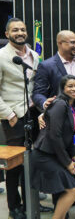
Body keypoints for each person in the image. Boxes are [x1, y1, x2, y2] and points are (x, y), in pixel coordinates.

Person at [0, 18, 43, 219]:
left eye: (23, 29)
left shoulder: (34, 55)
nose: (20, 32)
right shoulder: (1, 56)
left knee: (32, 160)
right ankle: (14, 207)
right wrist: (9, 115)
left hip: (33, 113)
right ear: (7, 34)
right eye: (15, 30)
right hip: (14, 116)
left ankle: (31, 201)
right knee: (16, 164)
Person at [32, 75, 75, 219]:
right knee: (74, 187)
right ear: (63, 88)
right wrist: (68, 164)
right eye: (70, 86)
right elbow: (54, 136)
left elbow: (71, 134)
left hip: (57, 153)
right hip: (45, 154)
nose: (74, 89)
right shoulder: (60, 104)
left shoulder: (72, 106)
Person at [33, 30, 75, 111]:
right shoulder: (46, 66)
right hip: (61, 114)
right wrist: (44, 103)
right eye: (72, 42)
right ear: (60, 43)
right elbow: (38, 93)